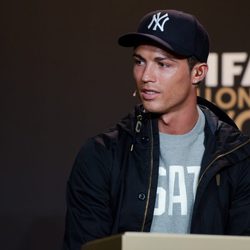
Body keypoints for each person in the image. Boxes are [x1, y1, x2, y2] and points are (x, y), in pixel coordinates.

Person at [63, 9, 250, 250]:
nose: (146, 76)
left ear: (198, 72)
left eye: (163, 64)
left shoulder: (239, 158)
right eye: (139, 61)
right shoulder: (101, 155)